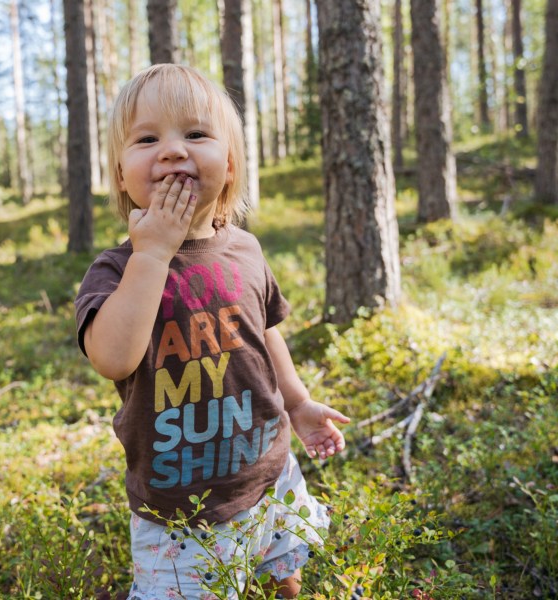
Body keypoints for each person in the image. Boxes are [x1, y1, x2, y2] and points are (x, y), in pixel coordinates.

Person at [74, 64, 350, 599]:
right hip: (180, 510)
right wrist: (153, 252)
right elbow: (112, 358)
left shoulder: (243, 248)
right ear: (121, 175)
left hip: (268, 472)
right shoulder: (115, 271)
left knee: (284, 575)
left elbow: (264, 332)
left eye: (195, 134)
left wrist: (298, 402)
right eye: (148, 138)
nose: (173, 150)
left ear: (228, 165)